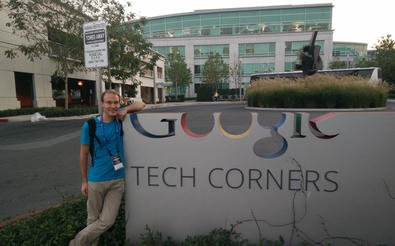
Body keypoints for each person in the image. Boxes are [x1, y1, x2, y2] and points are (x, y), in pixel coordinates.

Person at [69, 90, 145, 246]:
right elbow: (83, 155)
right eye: (109, 103)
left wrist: (126, 109)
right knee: (92, 220)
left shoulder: (121, 120)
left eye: (116, 103)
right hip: (96, 181)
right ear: (102, 104)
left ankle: (76, 243)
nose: (113, 106)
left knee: (107, 221)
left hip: (117, 181)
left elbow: (142, 104)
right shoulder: (90, 125)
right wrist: (84, 181)